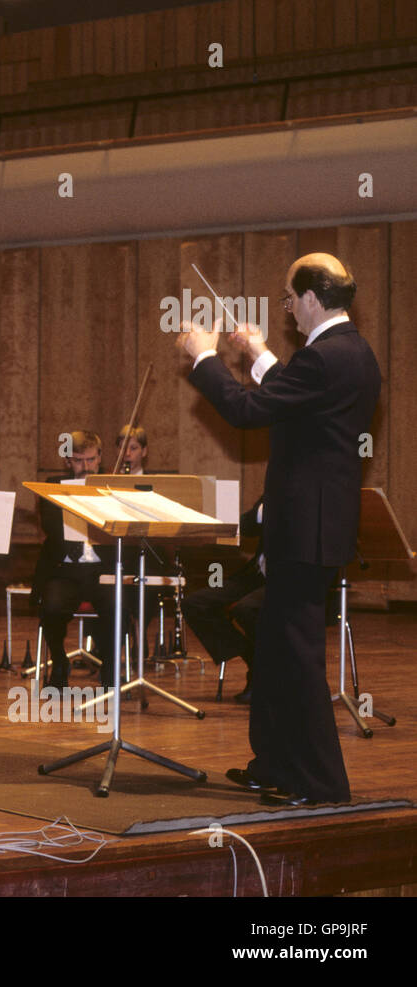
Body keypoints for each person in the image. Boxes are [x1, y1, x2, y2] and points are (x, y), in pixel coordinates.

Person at [179, 252, 380, 806]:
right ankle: (273, 762)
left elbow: (251, 411)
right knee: (273, 642)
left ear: (312, 298)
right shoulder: (351, 353)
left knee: (296, 655)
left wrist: (204, 360)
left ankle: (319, 783)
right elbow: (302, 402)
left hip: (305, 528)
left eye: (290, 300)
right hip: (316, 525)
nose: (288, 310)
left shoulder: (325, 358)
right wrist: (260, 352)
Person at [31, 430, 120, 688]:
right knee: (51, 608)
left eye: (91, 460)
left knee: (118, 606)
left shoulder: (111, 489)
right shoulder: (53, 486)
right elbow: (51, 528)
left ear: (100, 458)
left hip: (102, 569)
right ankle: (59, 662)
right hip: (65, 568)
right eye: (79, 461)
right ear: (68, 461)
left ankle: (111, 668)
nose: (85, 467)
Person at [180, 499, 265, 704]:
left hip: (289, 578)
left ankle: (263, 677)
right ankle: (253, 657)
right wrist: (263, 511)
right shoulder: (275, 488)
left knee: (247, 609)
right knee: (195, 603)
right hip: (256, 575)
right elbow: (245, 527)